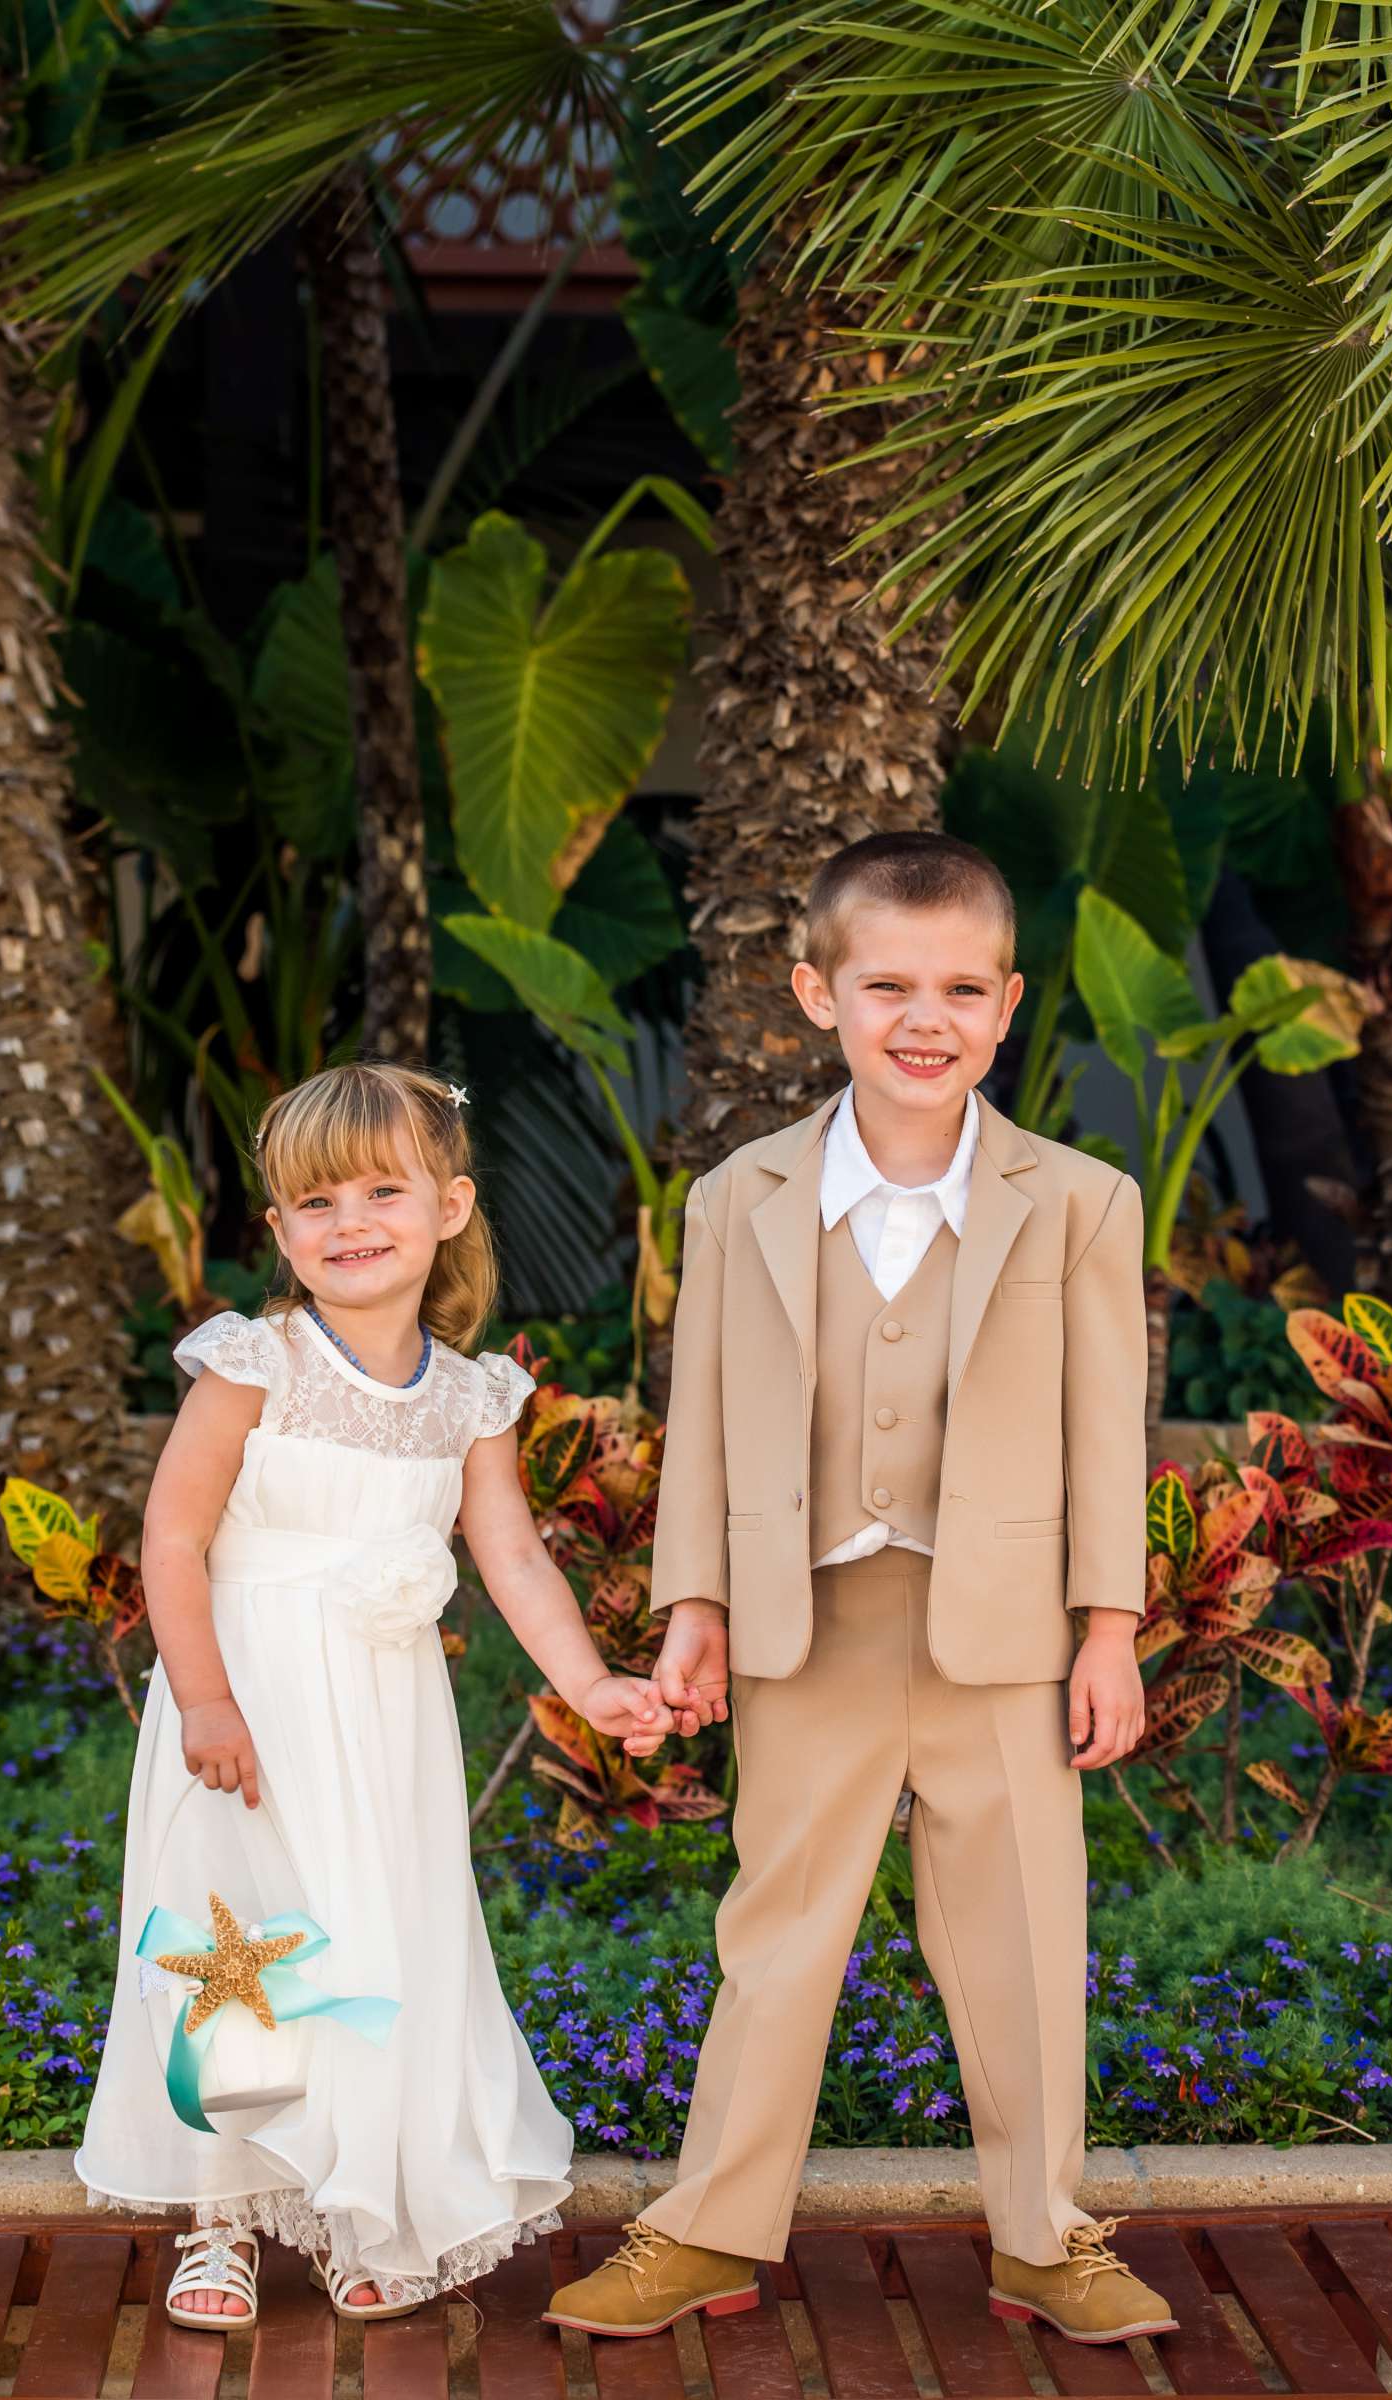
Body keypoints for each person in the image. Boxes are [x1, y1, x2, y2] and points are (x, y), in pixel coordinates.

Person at [545, 831, 1178, 2348]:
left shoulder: (1079, 1199)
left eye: (962, 987)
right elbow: (699, 1413)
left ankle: (1046, 2235)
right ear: (814, 992)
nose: (925, 1018)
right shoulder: (737, 1197)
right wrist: (693, 1605)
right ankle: (709, 2225)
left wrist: (1110, 1632)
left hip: (1005, 1633)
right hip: (806, 1624)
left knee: (1026, 1934)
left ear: (1011, 1003)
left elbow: (1111, 1425)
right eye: (887, 983)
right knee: (780, 1927)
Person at [77, 1061, 676, 2329]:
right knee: (241, 1947)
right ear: (281, 1231)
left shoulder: (470, 1396)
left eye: (380, 1191)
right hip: (246, 1709)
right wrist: (204, 1702)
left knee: (373, 1943)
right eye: (313, 1202)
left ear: (450, 1205)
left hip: (385, 1724)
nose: (348, 1222)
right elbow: (173, 1539)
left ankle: (364, 2206)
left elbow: (510, 1554)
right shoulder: (255, 1364)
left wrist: (589, 1685)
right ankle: (220, 2219)